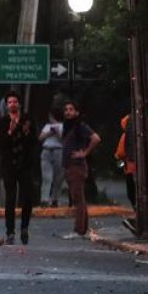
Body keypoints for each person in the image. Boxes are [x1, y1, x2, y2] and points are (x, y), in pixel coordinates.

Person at [0, 91, 37, 245]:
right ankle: (10, 231)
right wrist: (10, 131)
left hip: (25, 164)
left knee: (27, 197)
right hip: (9, 165)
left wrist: (26, 133)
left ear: (19, 104)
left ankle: (24, 228)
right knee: (11, 199)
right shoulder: (3, 122)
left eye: (15, 101)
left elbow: (34, 141)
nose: (12, 104)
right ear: (7, 105)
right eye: (9, 102)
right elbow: (0, 144)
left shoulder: (28, 120)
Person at [60, 100, 100, 240]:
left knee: (78, 199)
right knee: (78, 198)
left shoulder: (80, 126)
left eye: (71, 109)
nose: (68, 112)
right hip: (69, 166)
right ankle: (83, 228)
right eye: (66, 109)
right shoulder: (68, 127)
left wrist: (85, 153)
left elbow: (96, 138)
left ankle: (79, 230)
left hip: (76, 165)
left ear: (77, 112)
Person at [38, 110, 65, 207]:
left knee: (58, 178)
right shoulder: (47, 126)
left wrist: (57, 132)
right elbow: (40, 138)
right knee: (47, 177)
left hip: (59, 151)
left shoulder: (63, 126)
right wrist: (49, 132)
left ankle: (55, 199)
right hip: (47, 151)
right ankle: (44, 199)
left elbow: (64, 140)